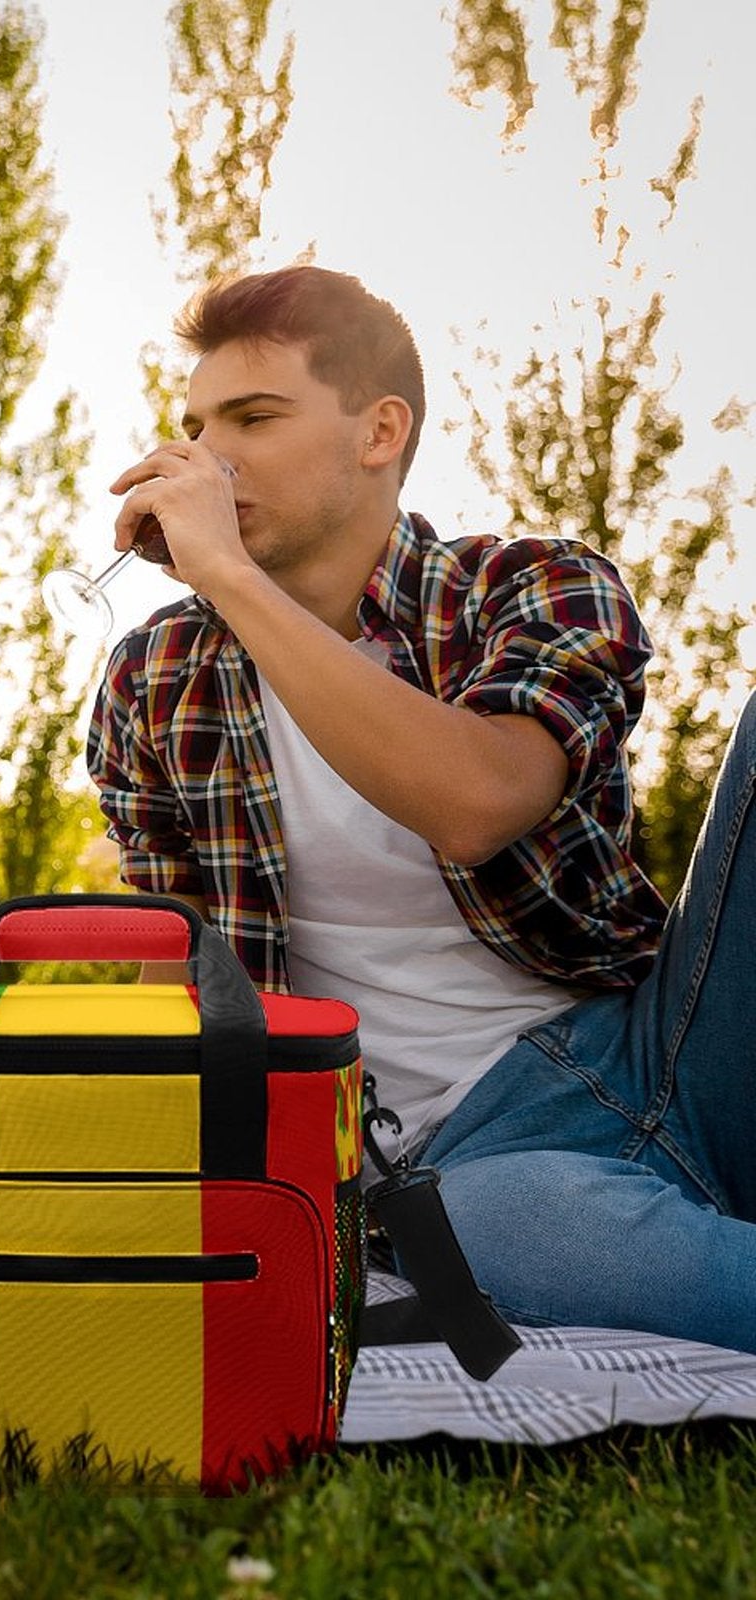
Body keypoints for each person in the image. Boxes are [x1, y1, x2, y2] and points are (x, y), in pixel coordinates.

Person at [87, 263, 756, 1352]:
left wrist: (234, 581)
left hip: (655, 1050)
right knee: (485, 1232)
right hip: (464, 1161)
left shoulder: (531, 587)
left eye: (253, 417)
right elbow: (196, 988)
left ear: (379, 431)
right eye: (196, 425)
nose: (208, 458)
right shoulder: (155, 679)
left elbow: (481, 799)